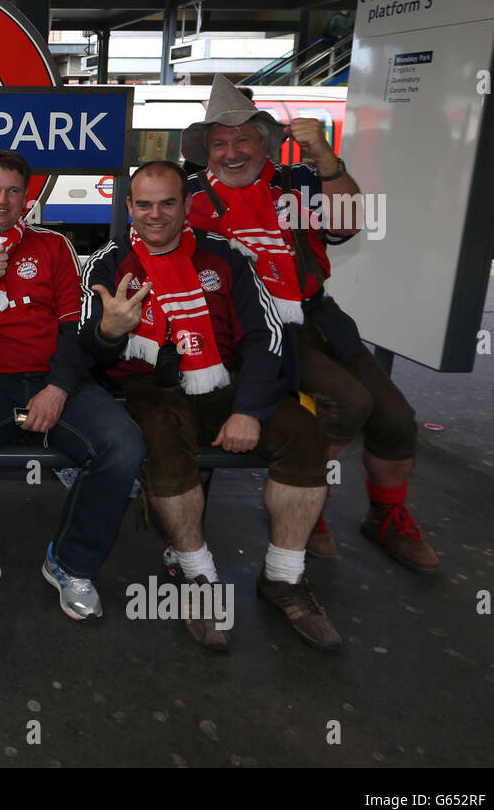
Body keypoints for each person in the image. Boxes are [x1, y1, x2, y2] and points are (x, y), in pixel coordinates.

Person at [182, 76, 436, 574]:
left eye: (242, 141)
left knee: (396, 417)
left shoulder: (299, 180)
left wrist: (327, 159)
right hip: (257, 322)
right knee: (350, 401)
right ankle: (307, 488)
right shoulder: (189, 195)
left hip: (318, 309)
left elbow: (345, 224)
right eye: (219, 144)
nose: (232, 153)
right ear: (206, 152)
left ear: (263, 142)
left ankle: (386, 515)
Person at [81, 161, 338, 650]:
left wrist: (250, 410)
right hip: (148, 389)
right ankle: (197, 575)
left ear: (186, 205)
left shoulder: (229, 257)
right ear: (129, 207)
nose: (155, 214)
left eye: (168, 202)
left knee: (305, 434)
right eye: (144, 204)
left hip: (227, 382)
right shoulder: (108, 263)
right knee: (159, 440)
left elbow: (267, 339)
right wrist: (110, 331)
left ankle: (284, 576)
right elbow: (87, 349)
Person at [0, 149, 145, 621]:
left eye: (13, 191)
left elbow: (75, 326)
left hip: (55, 378)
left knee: (124, 444)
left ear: (27, 197)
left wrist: (58, 388)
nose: (1, 199)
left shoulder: (53, 246)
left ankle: (70, 562)